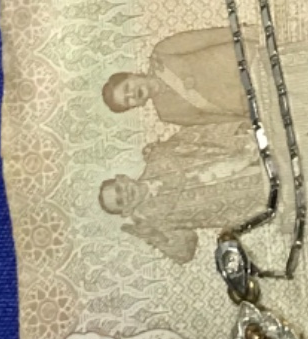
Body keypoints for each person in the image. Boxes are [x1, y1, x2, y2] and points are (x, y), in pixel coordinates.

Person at [99, 133, 264, 265]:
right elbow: (186, 252)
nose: (125, 194)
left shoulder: (159, 156)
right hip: (244, 202)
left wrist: (240, 141)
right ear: (126, 211)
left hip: (247, 158)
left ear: (123, 178)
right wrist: (156, 238)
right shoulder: (156, 221)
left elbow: (200, 138)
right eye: (120, 201)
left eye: (119, 188)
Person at [102, 26, 247, 128]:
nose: (132, 94)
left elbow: (211, 37)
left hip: (247, 60)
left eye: (127, 87)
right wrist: (248, 119)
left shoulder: (162, 52)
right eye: (128, 100)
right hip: (248, 99)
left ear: (132, 75)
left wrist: (251, 33)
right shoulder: (168, 114)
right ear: (135, 106)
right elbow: (215, 121)